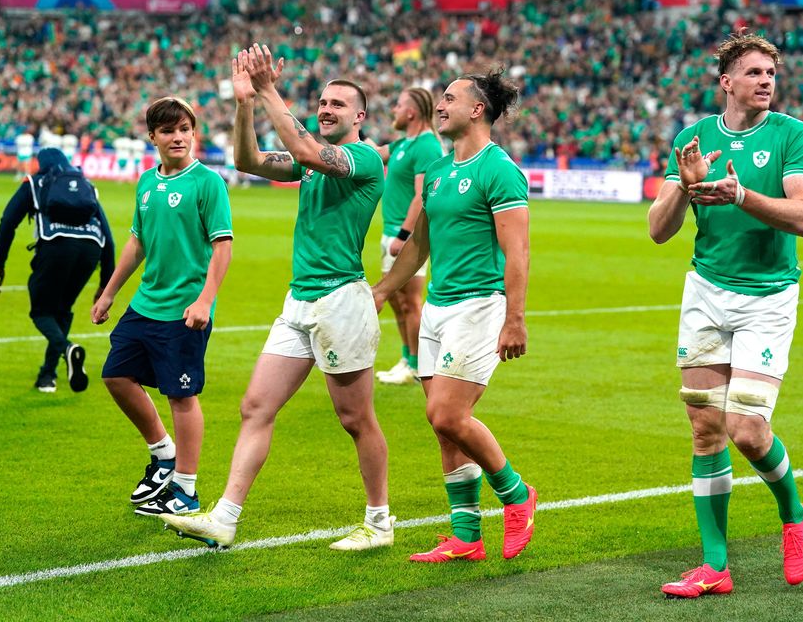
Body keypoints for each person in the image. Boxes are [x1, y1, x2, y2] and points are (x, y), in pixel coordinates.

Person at [160, 44, 393, 551]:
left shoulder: (363, 158)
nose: (326, 108)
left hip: (341, 301)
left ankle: (379, 522)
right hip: (300, 302)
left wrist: (267, 88)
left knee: (355, 419)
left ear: (360, 116)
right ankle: (224, 517)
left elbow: (309, 151)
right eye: (322, 102)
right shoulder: (312, 162)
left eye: (338, 104)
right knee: (255, 406)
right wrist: (245, 103)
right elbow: (248, 160)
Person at [648, 32, 803, 598]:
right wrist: (687, 186)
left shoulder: (794, 136)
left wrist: (742, 194)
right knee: (704, 428)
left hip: (767, 298)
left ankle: (794, 516)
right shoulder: (694, 139)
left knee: (747, 431)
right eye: (752, 72)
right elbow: (658, 229)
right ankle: (714, 566)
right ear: (727, 82)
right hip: (706, 291)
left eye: (770, 73)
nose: (766, 81)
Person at [372, 70, 537, 562]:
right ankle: (466, 535)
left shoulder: (499, 169)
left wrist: (515, 318)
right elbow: (420, 242)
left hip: (479, 305)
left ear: (477, 109)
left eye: (449, 98)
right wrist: (382, 288)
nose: (439, 105)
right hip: (439, 308)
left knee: (447, 413)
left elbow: (518, 250)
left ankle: (516, 495)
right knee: (442, 427)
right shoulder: (441, 171)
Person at [91, 96, 234, 518]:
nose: (178, 137)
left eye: (185, 129)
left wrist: (205, 299)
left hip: (184, 309)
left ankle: (186, 488)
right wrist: (109, 291)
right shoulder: (146, 183)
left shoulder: (208, 182)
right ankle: (163, 453)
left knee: (181, 396)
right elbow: (137, 242)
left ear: (194, 133)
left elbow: (222, 245)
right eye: (168, 130)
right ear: (152, 136)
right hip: (146, 304)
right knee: (116, 375)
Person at [0, 147, 115, 393]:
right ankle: (48, 376)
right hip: (91, 251)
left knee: (40, 312)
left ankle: (67, 348)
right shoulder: (86, 185)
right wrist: (105, 284)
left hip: (56, 246)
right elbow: (108, 237)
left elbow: (8, 221)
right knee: (61, 310)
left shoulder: (35, 183)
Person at [367, 87, 444, 385]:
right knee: (398, 300)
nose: (394, 111)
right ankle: (407, 358)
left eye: (398, 106)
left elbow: (421, 196)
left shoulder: (425, 146)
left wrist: (403, 234)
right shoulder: (404, 143)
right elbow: (376, 153)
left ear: (411, 112)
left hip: (408, 236)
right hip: (391, 234)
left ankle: (417, 365)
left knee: (410, 301)